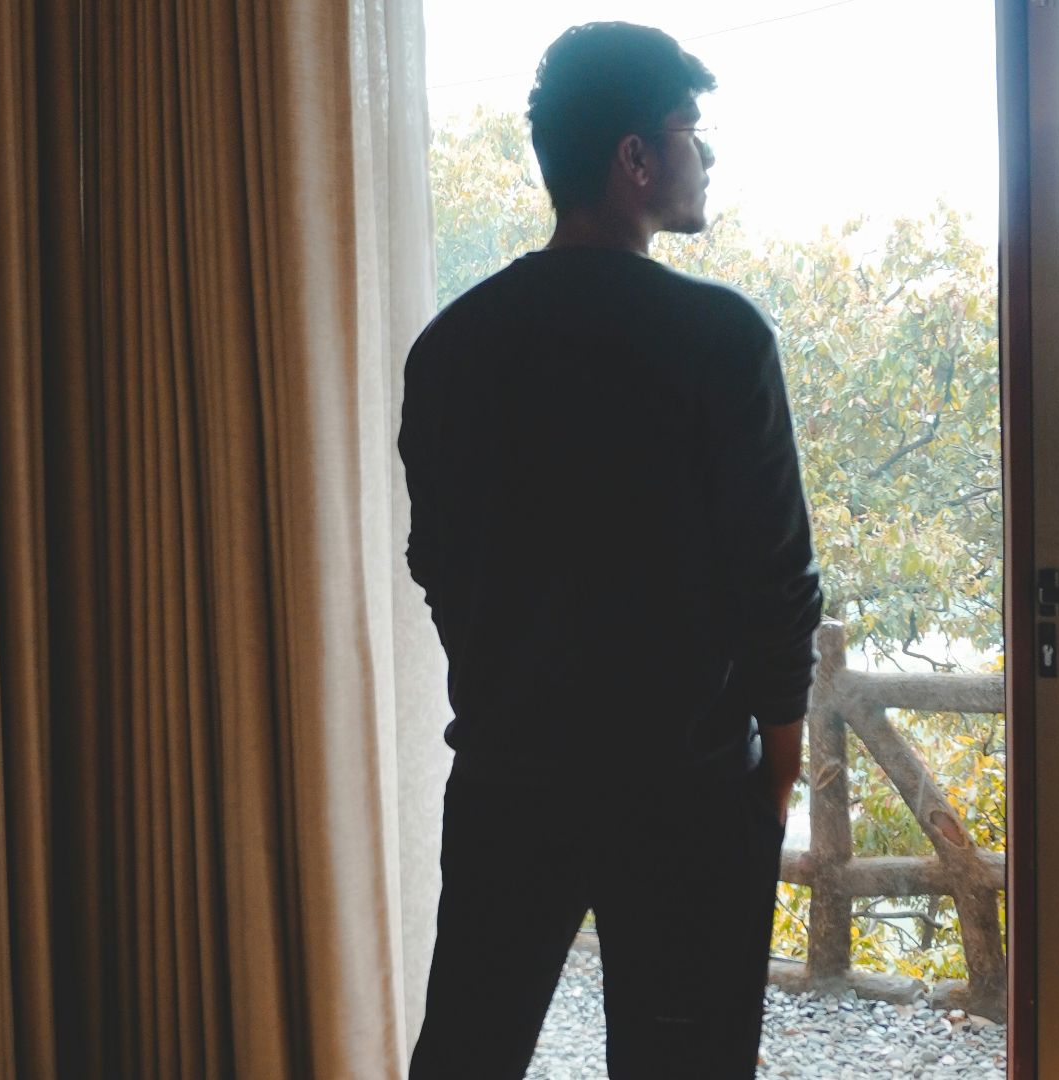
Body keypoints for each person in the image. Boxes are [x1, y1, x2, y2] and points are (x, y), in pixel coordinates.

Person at [401, 21, 823, 1080]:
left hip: (508, 775)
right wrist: (777, 758)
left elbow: (438, 562)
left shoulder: (453, 347)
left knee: (467, 1053)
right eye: (692, 131)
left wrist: (508, 690)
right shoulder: (723, 339)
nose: (707, 154)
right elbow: (775, 573)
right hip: (683, 787)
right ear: (635, 159)